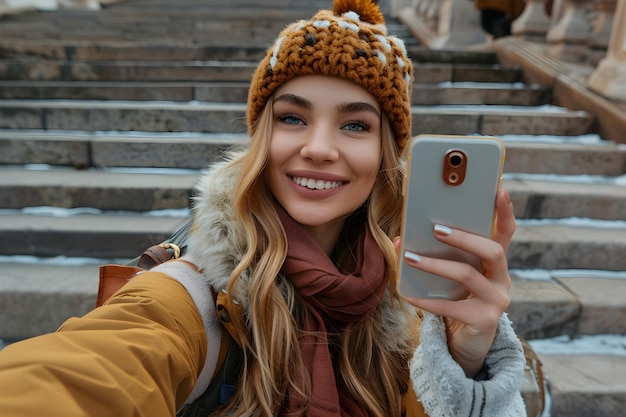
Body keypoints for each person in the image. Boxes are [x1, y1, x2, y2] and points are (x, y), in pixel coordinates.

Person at [0, 0, 527, 416]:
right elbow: (78, 376)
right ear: (261, 138)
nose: (319, 148)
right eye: (293, 118)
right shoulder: (187, 302)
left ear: (387, 155)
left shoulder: (409, 314)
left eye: (355, 124)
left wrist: (462, 358)